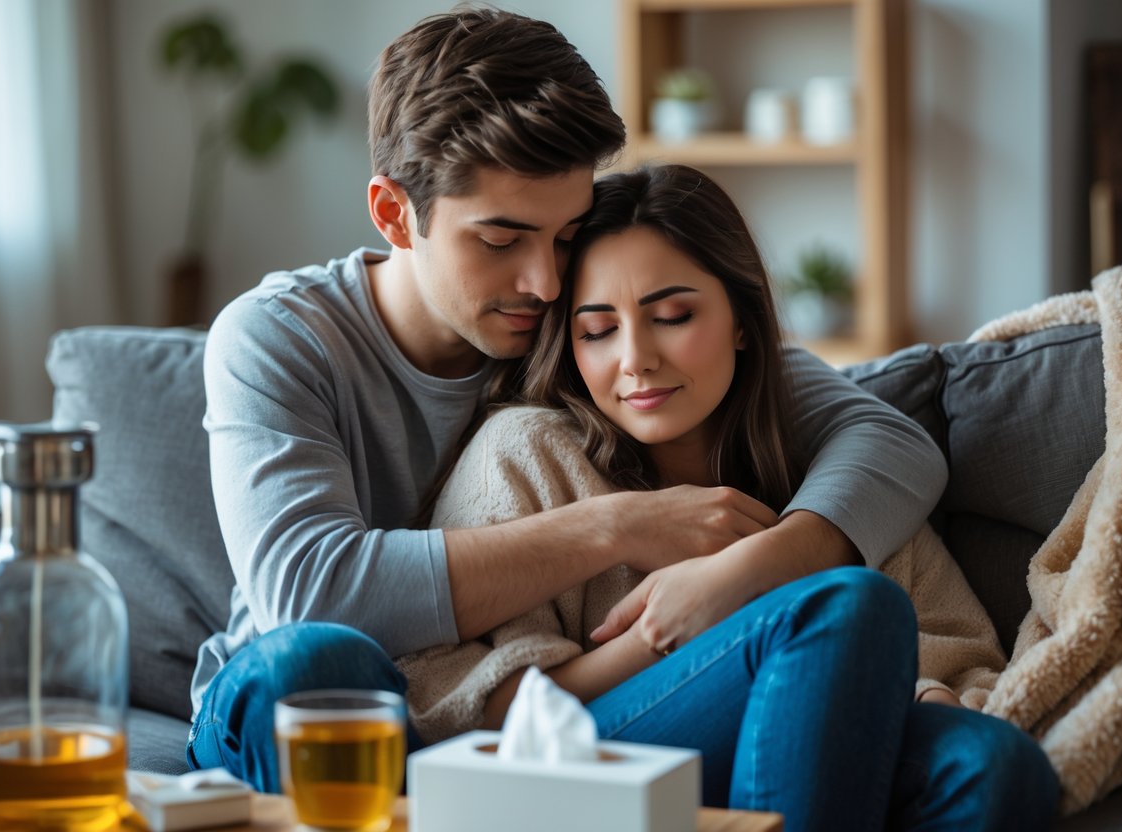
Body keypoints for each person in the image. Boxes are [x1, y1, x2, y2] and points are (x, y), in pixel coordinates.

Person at [188, 7, 946, 799]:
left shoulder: (583, 321)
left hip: (527, 731)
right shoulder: (278, 336)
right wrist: (617, 525)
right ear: (393, 214)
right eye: (499, 240)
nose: (543, 282)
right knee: (320, 663)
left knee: (946, 736)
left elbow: (885, 439)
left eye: (564, 234)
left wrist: (754, 566)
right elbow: (312, 593)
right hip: (302, 704)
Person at [399, 164, 1057, 830]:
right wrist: (670, 630)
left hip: (803, 740)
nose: (634, 359)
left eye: (672, 316)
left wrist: (916, 689)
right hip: (593, 752)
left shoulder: (820, 466)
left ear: (744, 322)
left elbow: (957, 651)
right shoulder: (524, 450)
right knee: (843, 604)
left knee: (995, 764)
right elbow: (473, 708)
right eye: (596, 330)